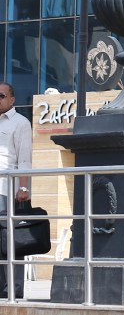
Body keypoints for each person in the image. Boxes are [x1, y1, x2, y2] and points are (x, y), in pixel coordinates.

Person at [0, 82, 31, 298]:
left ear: (12, 100)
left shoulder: (21, 123)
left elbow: (25, 159)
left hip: (6, 191)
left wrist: (23, 186)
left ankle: (13, 289)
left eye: (1, 96)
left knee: (11, 241)